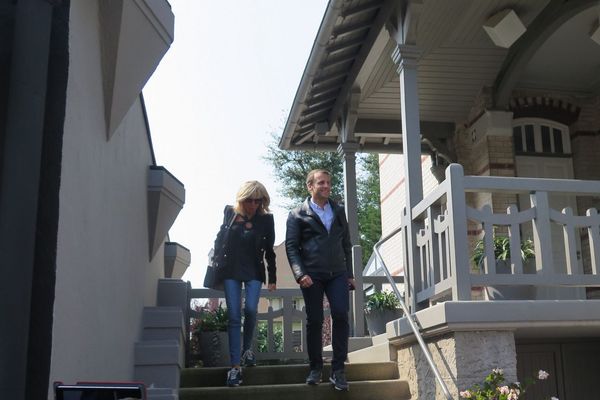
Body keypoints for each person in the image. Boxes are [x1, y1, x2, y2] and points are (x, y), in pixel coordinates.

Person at [285, 169, 355, 391]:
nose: (326, 186)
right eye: (321, 183)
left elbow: (346, 244)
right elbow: (291, 247)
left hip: (337, 273)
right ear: (310, 186)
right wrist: (300, 273)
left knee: (341, 314)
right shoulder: (297, 214)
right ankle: (315, 367)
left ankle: (338, 370)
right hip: (311, 275)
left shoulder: (339, 211)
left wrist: (350, 274)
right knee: (314, 319)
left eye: (328, 182)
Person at [213, 181, 276, 387]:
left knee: (250, 310)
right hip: (231, 271)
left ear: (262, 201)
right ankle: (235, 368)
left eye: (258, 200)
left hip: (254, 272)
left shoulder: (266, 220)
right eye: (249, 200)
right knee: (233, 316)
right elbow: (220, 239)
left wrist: (273, 277)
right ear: (242, 199)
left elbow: (270, 250)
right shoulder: (230, 213)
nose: (253, 204)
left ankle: (246, 349)